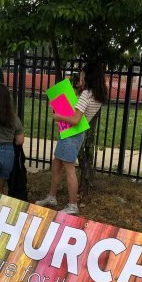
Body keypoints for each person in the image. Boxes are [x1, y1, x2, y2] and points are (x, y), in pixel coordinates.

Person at [36, 62, 107, 215]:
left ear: (88, 77)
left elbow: (75, 119)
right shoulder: (96, 95)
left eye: (82, 75)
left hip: (71, 134)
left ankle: (72, 205)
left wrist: (58, 116)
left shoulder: (86, 95)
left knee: (69, 170)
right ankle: (51, 196)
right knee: (57, 164)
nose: (80, 78)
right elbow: (79, 116)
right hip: (74, 134)